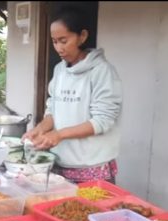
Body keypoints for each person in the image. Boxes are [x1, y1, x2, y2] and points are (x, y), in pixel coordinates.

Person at [22, 6, 122, 184]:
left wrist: (59, 135)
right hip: (60, 165)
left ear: (82, 36)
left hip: (92, 169)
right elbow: (53, 110)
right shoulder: (60, 70)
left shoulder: (101, 71)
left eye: (63, 40)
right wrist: (39, 129)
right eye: (54, 41)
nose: (58, 48)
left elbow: (102, 121)